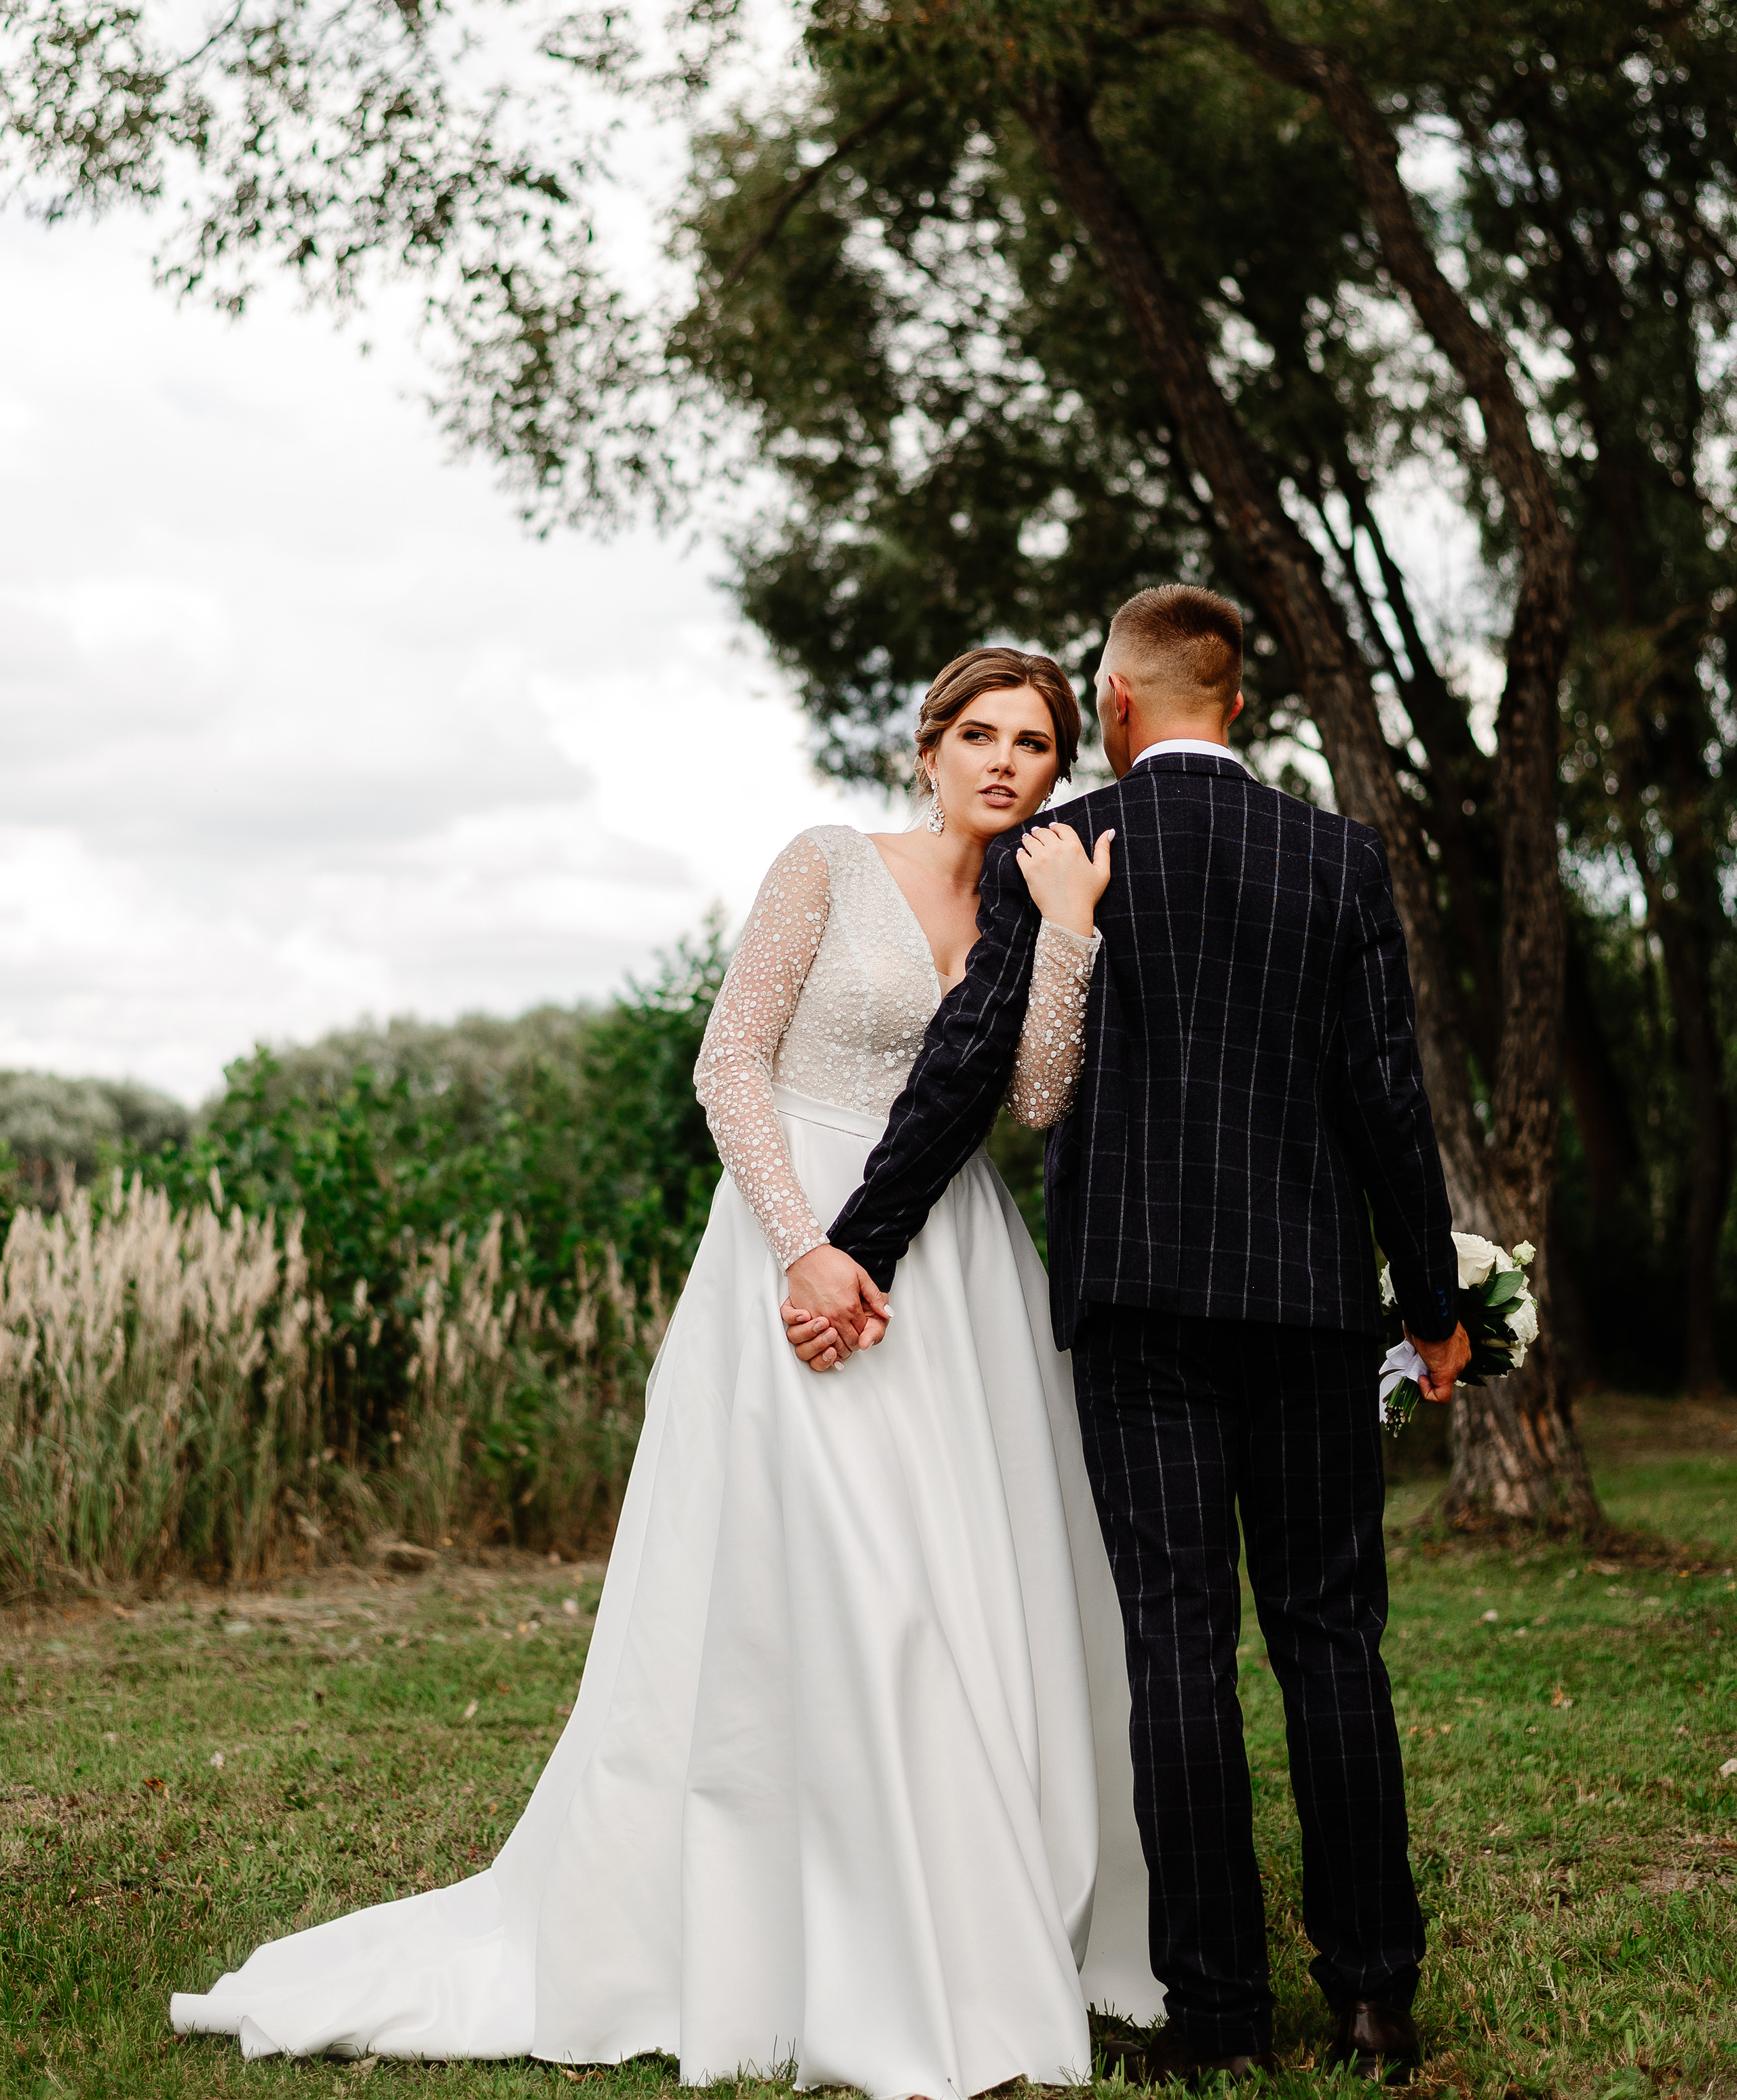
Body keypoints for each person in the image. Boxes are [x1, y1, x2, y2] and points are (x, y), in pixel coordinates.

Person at [170, 644, 1166, 2093]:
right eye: (979, 735)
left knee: (963, 1585)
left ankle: (969, 1924)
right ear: (928, 747)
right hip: (794, 1240)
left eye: (1033, 742)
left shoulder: (1033, 900)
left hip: (956, 1261)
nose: (1004, 762)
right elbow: (727, 1060)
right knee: (844, 1579)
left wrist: (1071, 930)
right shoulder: (825, 864)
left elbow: (1034, 1097)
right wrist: (802, 1247)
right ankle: (812, 1933)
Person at [794, 586, 1470, 2089]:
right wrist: (1430, 1307)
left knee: (1177, 1642)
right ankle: (1374, 1995)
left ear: (1111, 707)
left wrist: (858, 1242)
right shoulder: (1339, 857)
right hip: (1308, 1304)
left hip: (1137, 1307)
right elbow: (1388, 1099)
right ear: (1236, 705)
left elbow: (966, 1068)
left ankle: (1217, 2013)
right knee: (1330, 1639)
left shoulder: (1063, 848)